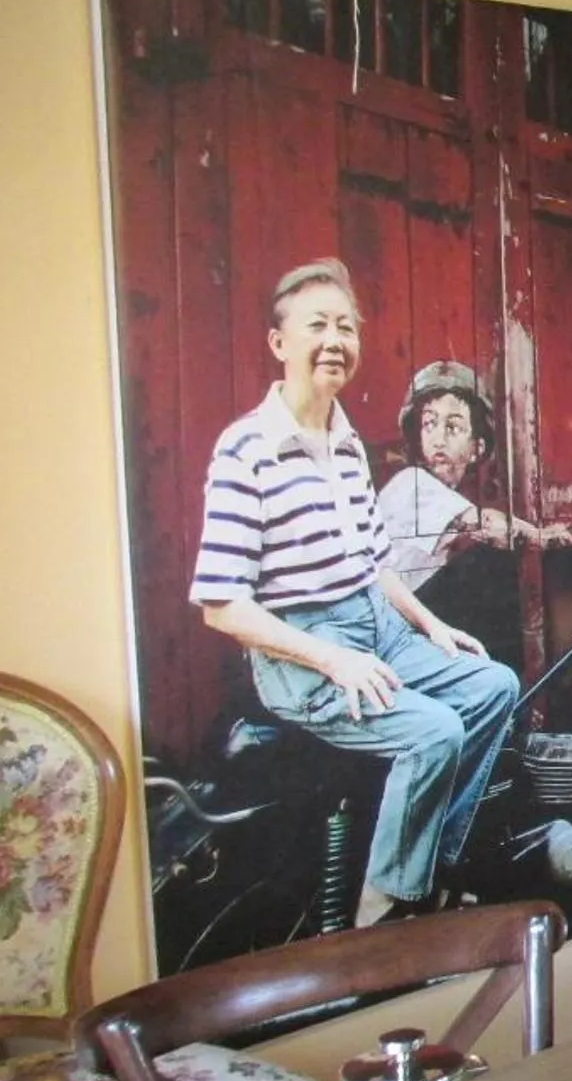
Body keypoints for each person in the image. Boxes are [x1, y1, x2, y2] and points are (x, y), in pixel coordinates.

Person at [189, 260, 520, 928]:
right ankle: (387, 908)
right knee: (435, 731)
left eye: (346, 326)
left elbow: (374, 562)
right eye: (318, 325)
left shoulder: (344, 444)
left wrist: (430, 627)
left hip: (378, 625)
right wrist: (333, 660)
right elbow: (220, 604)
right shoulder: (245, 449)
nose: (335, 340)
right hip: (305, 650)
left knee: (494, 686)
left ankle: (430, 866)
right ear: (280, 343)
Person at [379, 360, 572, 594]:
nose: (438, 439)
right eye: (429, 424)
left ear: (477, 448)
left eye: (453, 427)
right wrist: (542, 537)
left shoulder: (442, 498)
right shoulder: (410, 484)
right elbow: (484, 525)